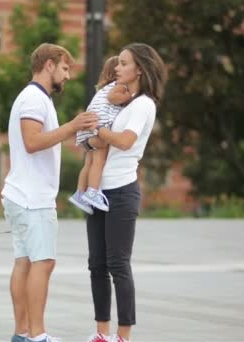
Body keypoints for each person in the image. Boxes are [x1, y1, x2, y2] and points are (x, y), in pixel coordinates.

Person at [2, 43, 98, 342]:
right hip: (32, 199)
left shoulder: (33, 98)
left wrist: (71, 131)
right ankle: (37, 335)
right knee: (43, 263)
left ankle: (22, 334)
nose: (67, 76)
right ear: (49, 65)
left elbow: (38, 141)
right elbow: (32, 142)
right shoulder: (34, 98)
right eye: (65, 68)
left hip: (22, 194)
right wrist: (72, 126)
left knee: (25, 263)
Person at [84, 43, 168, 342]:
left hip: (121, 191)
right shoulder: (122, 102)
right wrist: (92, 138)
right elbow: (96, 143)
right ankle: (101, 333)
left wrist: (98, 130)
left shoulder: (143, 104)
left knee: (118, 264)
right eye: (117, 63)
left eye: (123, 63)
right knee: (97, 264)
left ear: (139, 69)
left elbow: (124, 141)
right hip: (99, 191)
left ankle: (124, 335)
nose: (116, 68)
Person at [69, 56, 132, 214]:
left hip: (86, 130)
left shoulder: (101, 89)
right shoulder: (118, 86)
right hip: (98, 128)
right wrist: (129, 98)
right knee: (99, 161)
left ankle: (79, 193)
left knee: (88, 163)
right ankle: (92, 193)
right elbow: (113, 98)